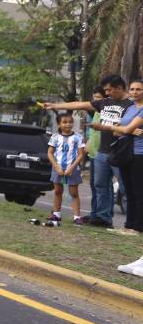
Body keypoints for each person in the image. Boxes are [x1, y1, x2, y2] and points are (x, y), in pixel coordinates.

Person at [42, 75, 131, 227]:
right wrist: (55, 106)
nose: (107, 93)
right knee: (100, 185)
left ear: (119, 88)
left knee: (126, 187)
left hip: (121, 152)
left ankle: (134, 224)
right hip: (102, 151)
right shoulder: (105, 102)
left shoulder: (131, 105)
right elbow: (80, 104)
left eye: (109, 90)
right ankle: (103, 218)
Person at [107, 78, 143, 237]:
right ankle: (129, 226)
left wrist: (125, 129)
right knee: (128, 191)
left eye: (138, 89)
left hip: (139, 154)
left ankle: (138, 227)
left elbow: (125, 128)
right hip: (126, 153)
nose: (134, 92)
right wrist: (126, 130)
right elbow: (115, 131)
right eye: (133, 89)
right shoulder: (130, 108)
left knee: (138, 192)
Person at [45, 112, 86, 225]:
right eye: (65, 122)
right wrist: (56, 166)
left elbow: (81, 154)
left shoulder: (78, 137)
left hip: (72, 168)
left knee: (74, 193)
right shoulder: (55, 137)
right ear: (59, 124)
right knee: (58, 191)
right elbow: (50, 153)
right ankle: (56, 214)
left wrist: (72, 167)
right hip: (58, 168)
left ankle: (77, 217)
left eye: (70, 122)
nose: (68, 124)